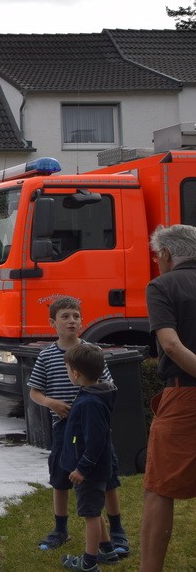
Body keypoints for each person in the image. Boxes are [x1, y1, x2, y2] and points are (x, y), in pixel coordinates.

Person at [27, 295, 128, 559]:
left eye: (76, 316)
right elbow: (34, 392)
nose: (72, 321)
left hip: (94, 430)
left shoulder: (92, 352)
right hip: (63, 429)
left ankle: (117, 531)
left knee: (105, 478)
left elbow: (108, 386)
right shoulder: (47, 356)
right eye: (65, 316)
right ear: (53, 322)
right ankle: (60, 529)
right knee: (60, 478)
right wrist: (51, 403)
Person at [140, 224, 196, 572]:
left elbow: (172, 345)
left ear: (165, 255)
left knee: (159, 488)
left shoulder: (162, 285)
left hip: (184, 397)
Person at [59, 343, 121, 572]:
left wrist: (82, 469)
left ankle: (89, 563)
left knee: (91, 515)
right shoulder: (92, 395)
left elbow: (96, 441)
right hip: (92, 470)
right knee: (94, 510)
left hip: (90, 473)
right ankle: (108, 551)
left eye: (68, 370)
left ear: (76, 373)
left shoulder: (90, 402)